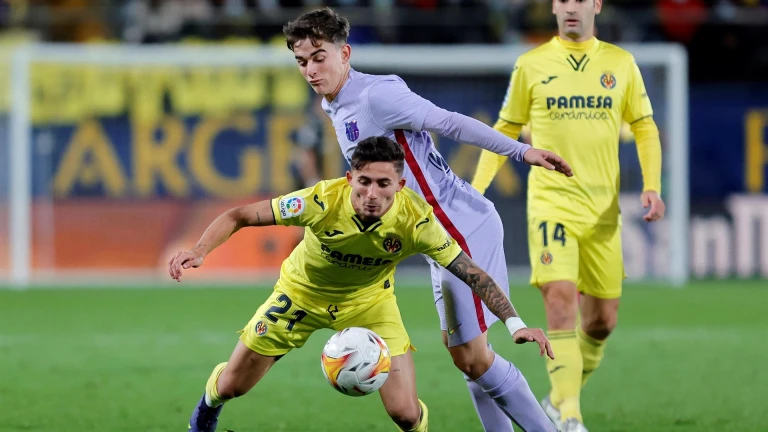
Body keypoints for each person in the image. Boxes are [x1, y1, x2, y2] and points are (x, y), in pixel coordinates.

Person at [284, 8, 573, 431]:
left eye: (319, 57)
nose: (311, 70)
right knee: (469, 358)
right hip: (433, 235)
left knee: (473, 357)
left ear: (344, 54)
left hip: (459, 225)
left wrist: (521, 151)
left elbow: (448, 122)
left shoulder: (376, 96)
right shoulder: (336, 103)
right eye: (302, 61)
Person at [172, 136, 555, 432]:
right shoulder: (320, 201)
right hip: (300, 296)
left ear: (400, 184)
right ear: (349, 178)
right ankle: (205, 413)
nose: (372, 194)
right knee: (232, 386)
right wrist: (200, 250)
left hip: (370, 304)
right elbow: (240, 215)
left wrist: (515, 324)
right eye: (364, 182)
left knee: (405, 414)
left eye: (383, 184)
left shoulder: (416, 220)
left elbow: (470, 271)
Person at [471, 1, 666, 431]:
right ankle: (570, 416)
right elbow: (505, 128)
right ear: (555, 7)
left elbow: (644, 126)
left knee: (601, 322)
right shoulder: (532, 64)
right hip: (551, 204)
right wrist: (476, 189)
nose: (571, 7)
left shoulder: (621, 63)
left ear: (596, 5)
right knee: (559, 299)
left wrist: (652, 185)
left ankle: (560, 398)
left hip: (602, 213)